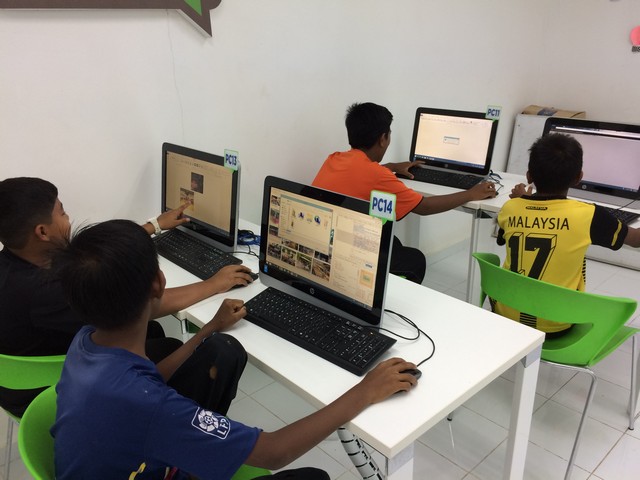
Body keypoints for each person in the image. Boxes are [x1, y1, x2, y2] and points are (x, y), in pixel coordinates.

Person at [51, 219, 419, 479]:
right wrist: (365, 390)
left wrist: (208, 329)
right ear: (159, 283)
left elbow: (148, 380)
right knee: (314, 477)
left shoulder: (86, 342)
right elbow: (274, 453)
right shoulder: (151, 407)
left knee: (221, 348)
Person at [0, 177, 255, 416]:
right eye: (63, 213)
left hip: (22, 381)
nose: (68, 218)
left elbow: (93, 260)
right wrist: (214, 285)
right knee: (209, 350)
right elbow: (142, 306)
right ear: (42, 232)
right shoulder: (45, 292)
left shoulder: (16, 264)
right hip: (52, 396)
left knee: (153, 332)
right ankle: (192, 425)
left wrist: (153, 226)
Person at [312, 102, 497, 284]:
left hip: (322, 240)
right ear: (383, 138)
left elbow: (360, 173)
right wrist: (471, 194)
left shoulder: (334, 158)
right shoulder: (377, 174)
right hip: (345, 254)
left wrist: (392, 167)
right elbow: (424, 207)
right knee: (415, 260)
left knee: (393, 242)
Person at [495, 133, 640, 334]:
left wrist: (523, 200)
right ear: (578, 178)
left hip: (505, 315)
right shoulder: (590, 215)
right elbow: (636, 240)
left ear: (529, 176)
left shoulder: (511, 207)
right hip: (556, 325)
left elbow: (507, 235)